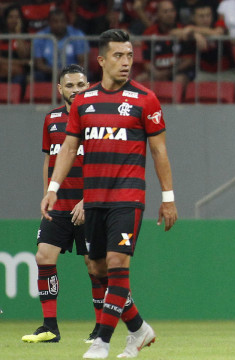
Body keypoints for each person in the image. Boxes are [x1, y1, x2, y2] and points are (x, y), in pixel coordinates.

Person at [40, 29, 178, 359]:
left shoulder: (145, 99)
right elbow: (69, 148)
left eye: (129, 56)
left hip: (128, 196)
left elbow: (159, 152)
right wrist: (53, 189)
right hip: (95, 198)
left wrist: (168, 197)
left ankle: (102, 341)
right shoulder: (85, 101)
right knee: (98, 268)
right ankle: (139, 329)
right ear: (101, 60)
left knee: (117, 263)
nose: (126, 62)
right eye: (118, 56)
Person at [21, 65, 104, 344]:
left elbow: (104, 166)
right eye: (70, 85)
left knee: (95, 268)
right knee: (43, 257)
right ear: (60, 89)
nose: (76, 90)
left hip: (88, 207)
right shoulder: (52, 119)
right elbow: (49, 159)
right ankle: (49, 327)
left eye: (80, 84)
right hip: (58, 207)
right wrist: (48, 194)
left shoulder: (98, 120)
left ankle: (101, 329)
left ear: (88, 85)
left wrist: (88, 200)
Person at [33, 9, 88, 82]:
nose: (59, 24)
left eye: (62, 21)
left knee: (86, 75)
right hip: (49, 73)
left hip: (73, 73)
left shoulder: (77, 35)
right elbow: (39, 64)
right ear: (49, 23)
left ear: (66, 22)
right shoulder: (40, 37)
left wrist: (68, 72)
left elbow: (83, 62)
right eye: (55, 21)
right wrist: (54, 71)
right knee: (36, 76)